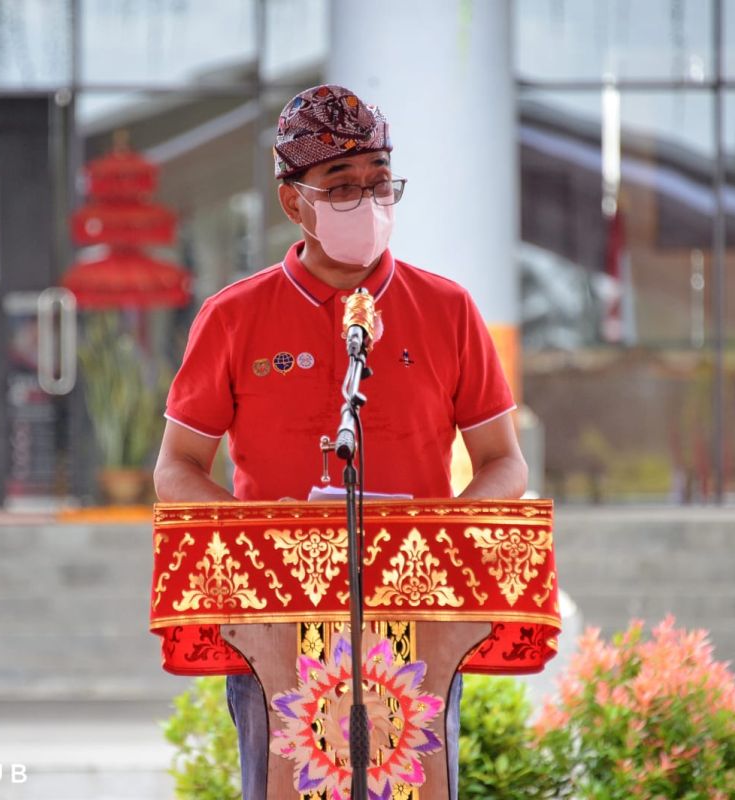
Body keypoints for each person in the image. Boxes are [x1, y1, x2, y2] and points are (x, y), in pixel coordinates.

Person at [153, 83, 527, 800]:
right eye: (343, 186)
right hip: (275, 616)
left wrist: (443, 530)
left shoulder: (447, 310)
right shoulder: (234, 317)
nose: (368, 201)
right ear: (294, 200)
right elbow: (177, 468)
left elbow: (505, 461)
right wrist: (269, 533)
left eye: (380, 184)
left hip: (417, 608)